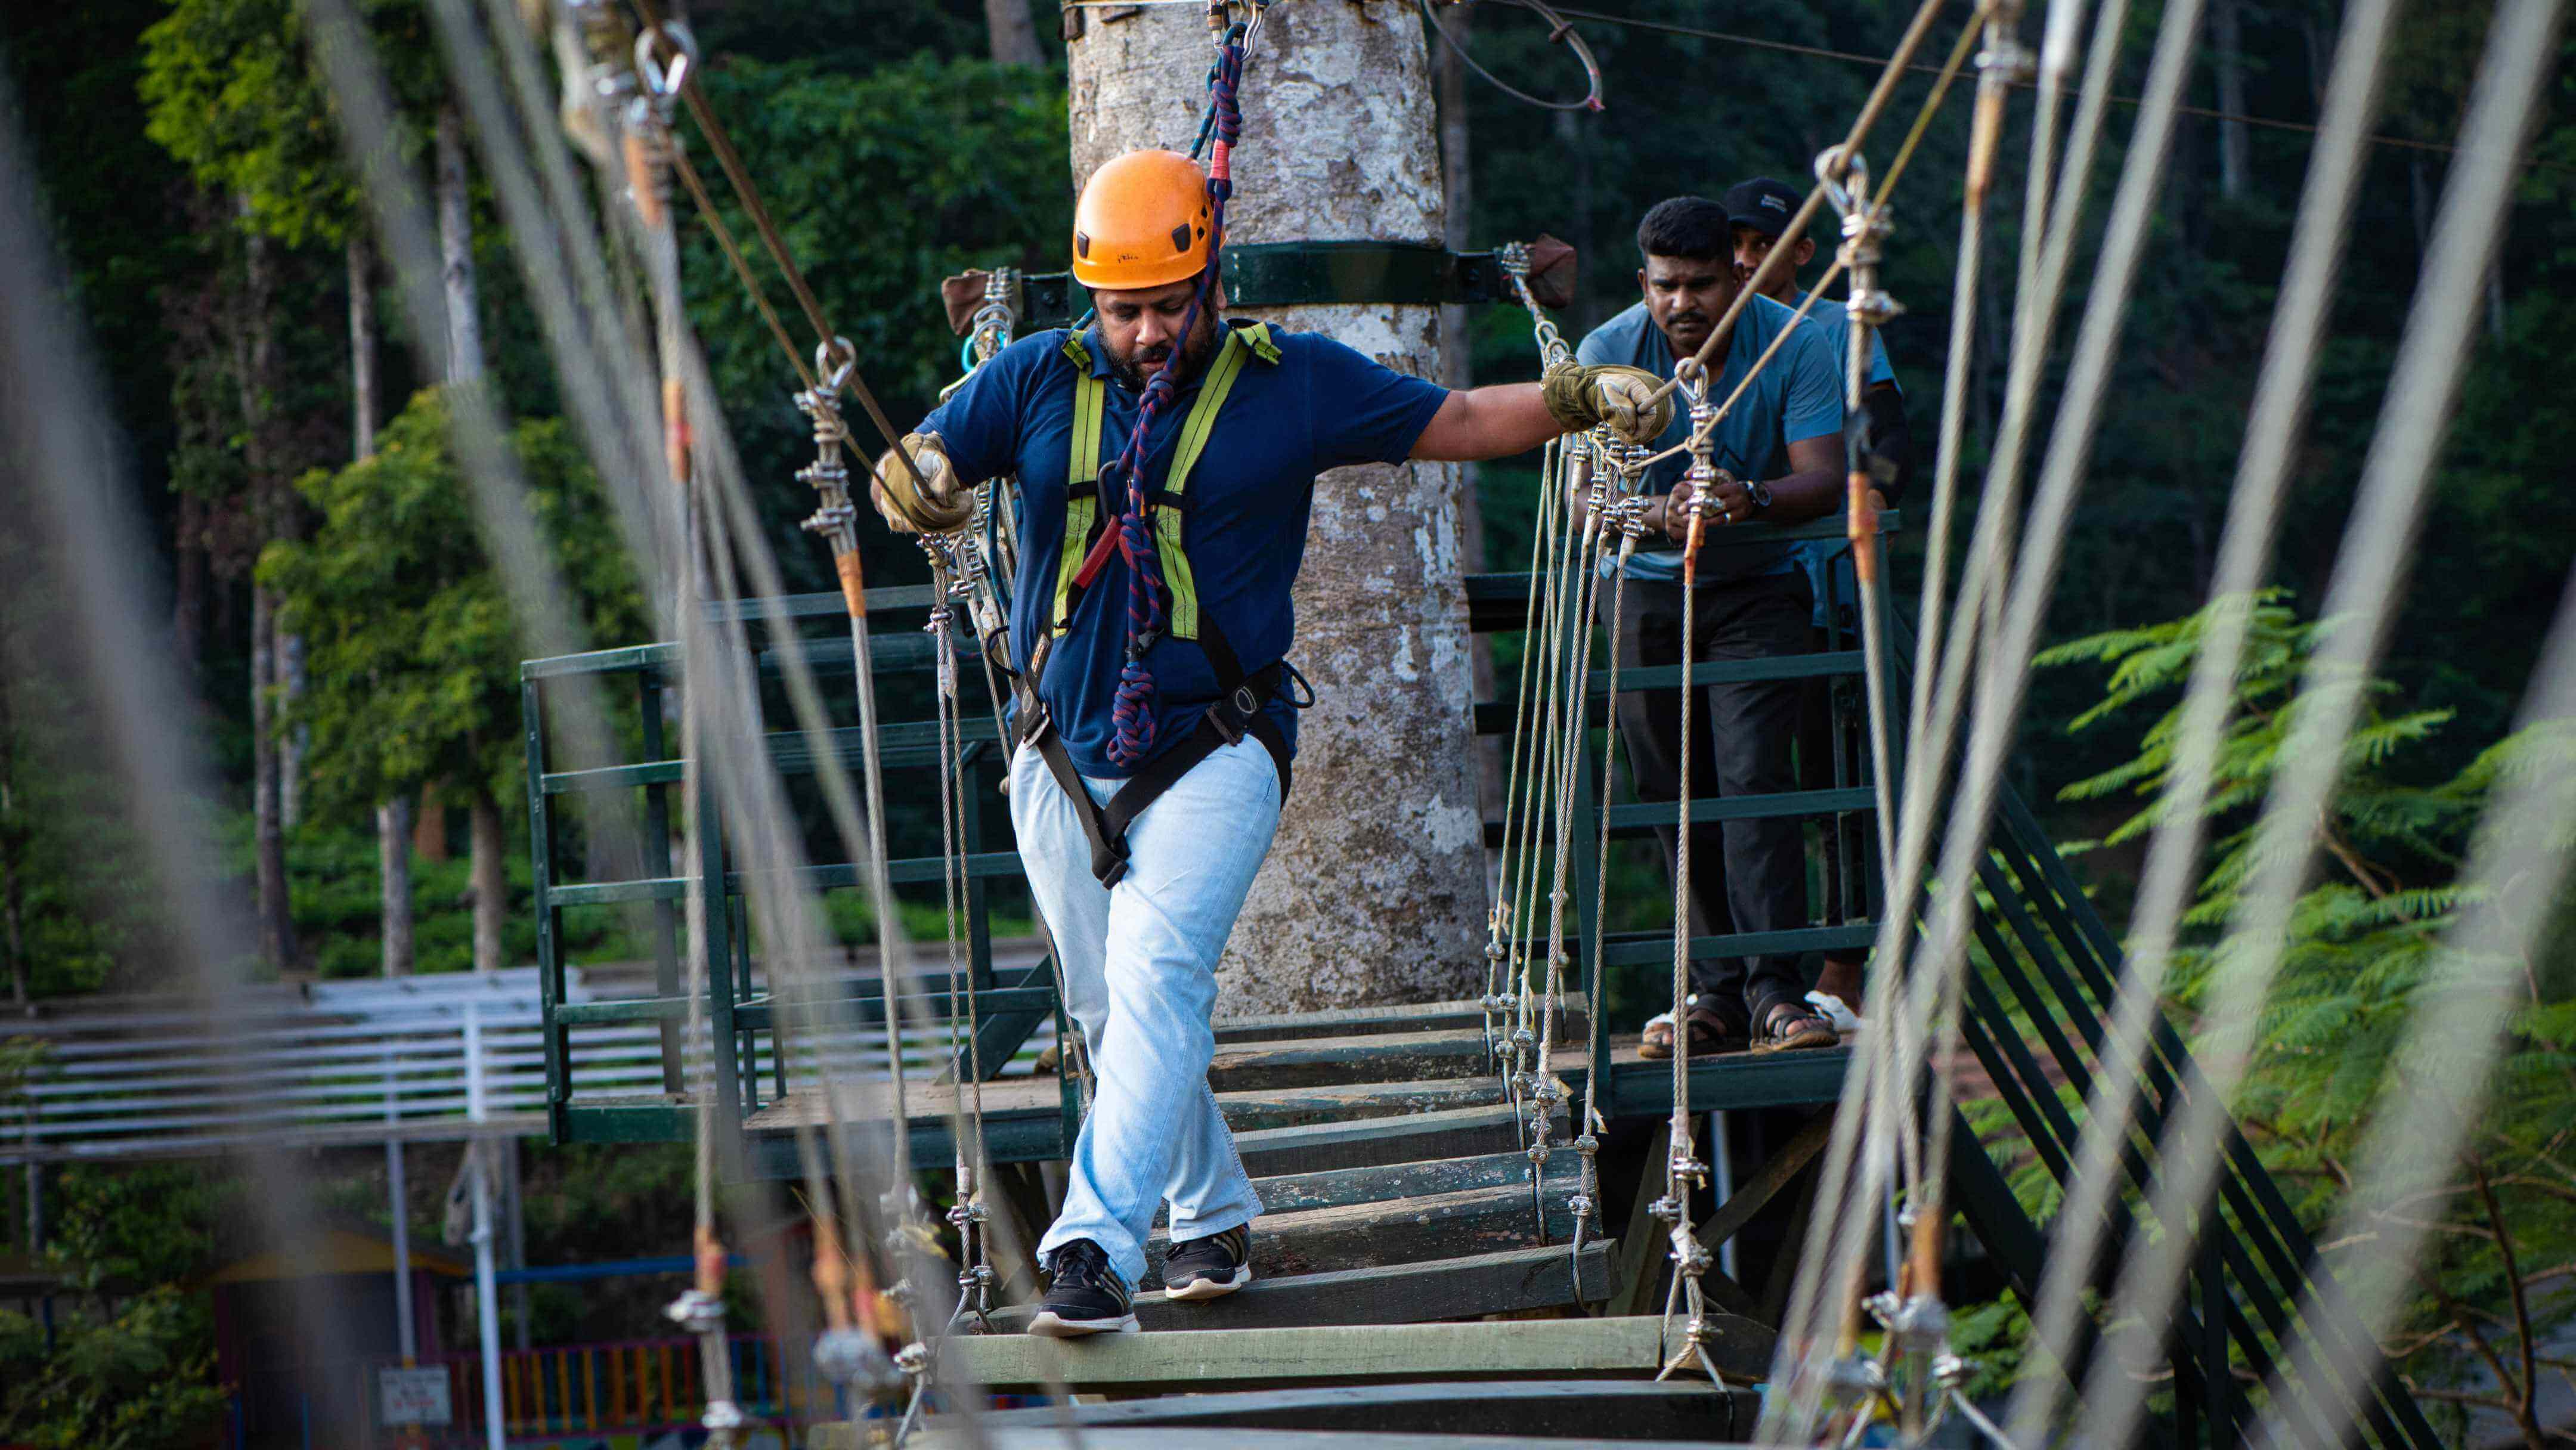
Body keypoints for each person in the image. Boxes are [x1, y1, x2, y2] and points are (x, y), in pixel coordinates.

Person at [872, 148, 1673, 1337]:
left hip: (1217, 744)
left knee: (1156, 980)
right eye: (1120, 309)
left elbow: (1451, 418)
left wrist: (1571, 399)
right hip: (1053, 746)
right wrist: (915, 486)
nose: (1143, 332)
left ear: (1209, 286)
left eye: (1163, 307)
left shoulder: (1288, 382)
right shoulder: (1036, 377)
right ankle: (1209, 1206)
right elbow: (913, 472)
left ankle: (1091, 1247)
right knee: (1105, 1008)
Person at [1574, 195, 1846, 1064]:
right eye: (1664, 287)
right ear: (1642, 284)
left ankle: (1777, 990)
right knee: (1669, 789)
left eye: (1699, 285)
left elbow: (1824, 479)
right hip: (1643, 590)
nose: (1681, 305)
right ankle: (1712, 991)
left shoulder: (1795, 342)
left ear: (1738, 274)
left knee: (1754, 781)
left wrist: (1750, 496)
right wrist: (1657, 512)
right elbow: (1583, 496)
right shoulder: (1608, 353)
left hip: (1756, 583)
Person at [1723, 176, 1918, 1036]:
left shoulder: (1841, 329)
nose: (1745, 258)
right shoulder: (1698, 333)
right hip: (1734, 587)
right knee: (1743, 779)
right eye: (1734, 243)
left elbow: (1884, 451)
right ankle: (1744, 981)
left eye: (1764, 243)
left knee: (1841, 776)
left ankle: (1844, 969)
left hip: (1823, 578)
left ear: (1803, 252)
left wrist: (1853, 510)